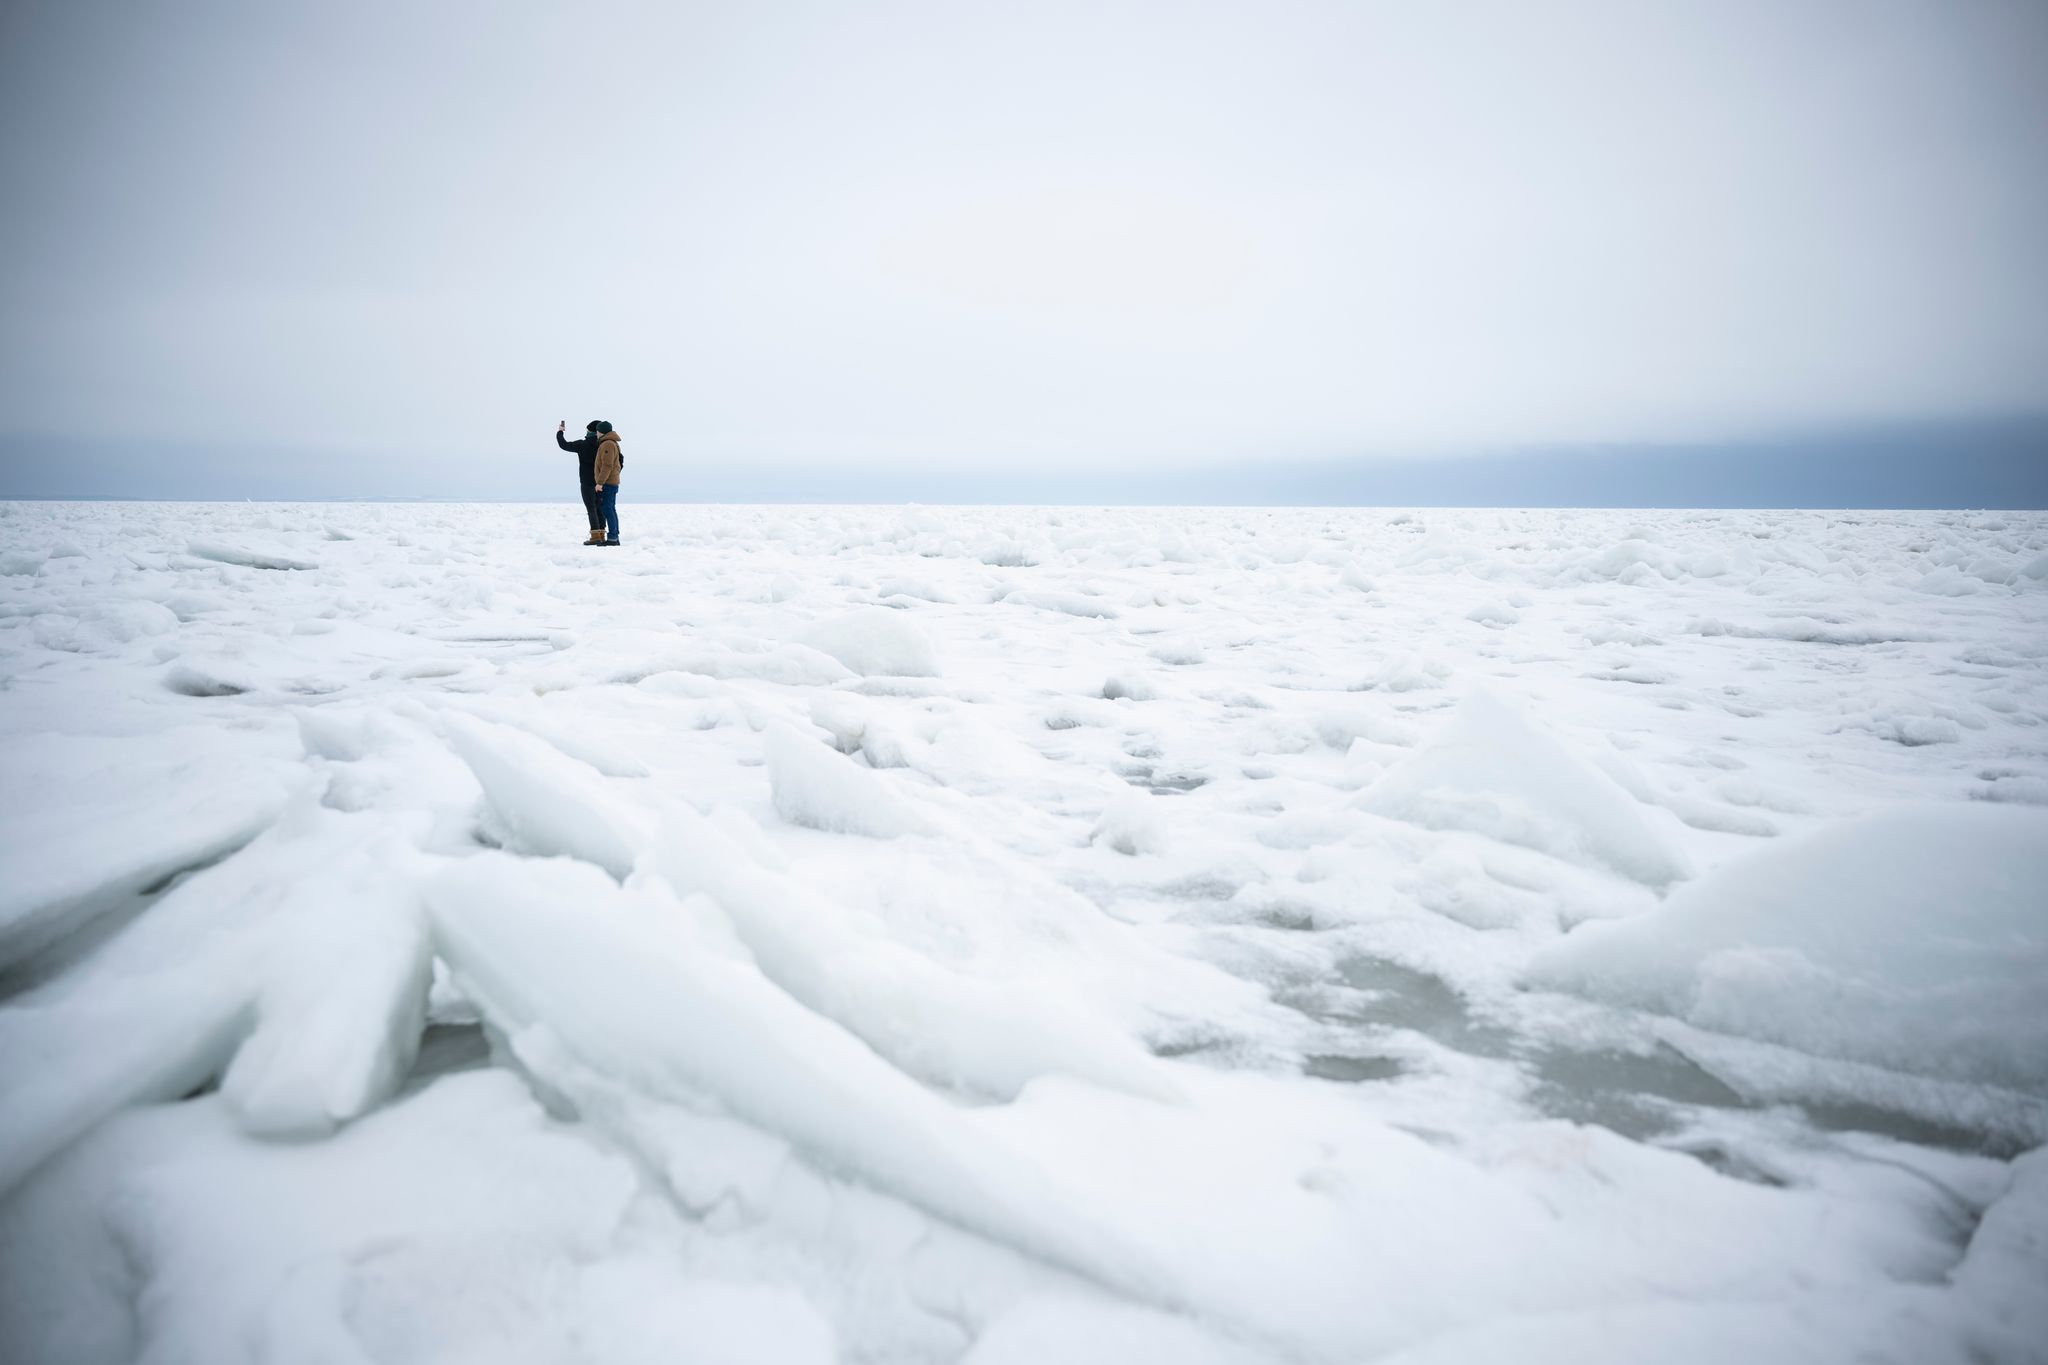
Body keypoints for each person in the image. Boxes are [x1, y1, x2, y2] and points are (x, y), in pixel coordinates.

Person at [555, 420, 607, 544]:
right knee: (600, 508)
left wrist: (560, 432)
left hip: (586, 482)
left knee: (591, 509)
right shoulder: (604, 445)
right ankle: (601, 535)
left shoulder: (582, 444)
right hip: (601, 481)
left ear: (590, 431)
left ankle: (595, 537)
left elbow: (564, 445)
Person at [593, 424, 624, 545]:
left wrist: (600, 482)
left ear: (601, 432)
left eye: (597, 431)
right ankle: (614, 537)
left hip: (608, 483)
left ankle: (612, 538)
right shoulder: (610, 443)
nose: (596, 433)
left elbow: (607, 465)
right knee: (610, 509)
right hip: (611, 482)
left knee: (608, 510)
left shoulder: (608, 444)